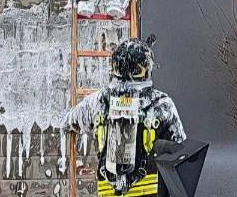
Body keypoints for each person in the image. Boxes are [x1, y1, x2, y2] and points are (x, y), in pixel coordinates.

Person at [64, 37, 186, 196]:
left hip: (108, 192)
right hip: (147, 191)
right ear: (146, 67)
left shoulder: (98, 100)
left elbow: (69, 122)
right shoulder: (162, 104)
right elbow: (182, 153)